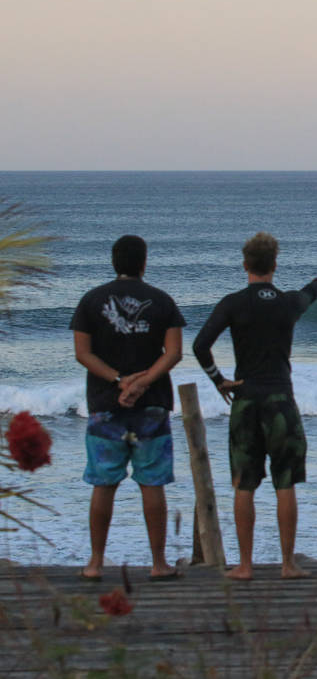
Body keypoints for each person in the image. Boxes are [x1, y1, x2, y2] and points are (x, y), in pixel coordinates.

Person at [192, 232, 317, 580]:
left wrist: (218, 380)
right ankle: (287, 564)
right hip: (281, 400)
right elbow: (309, 294)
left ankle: (245, 566)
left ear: (245, 265)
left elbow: (200, 345)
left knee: (245, 484)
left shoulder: (233, 303)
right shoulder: (288, 302)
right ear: (274, 265)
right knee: (285, 483)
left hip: (246, 400)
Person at [70, 235, 185, 581]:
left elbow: (83, 353)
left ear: (114, 262)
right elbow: (175, 353)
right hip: (151, 406)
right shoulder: (162, 301)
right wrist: (142, 382)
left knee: (104, 484)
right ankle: (159, 563)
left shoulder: (91, 301)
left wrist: (120, 380)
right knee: (152, 484)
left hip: (105, 406)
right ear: (143, 263)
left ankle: (94, 562)